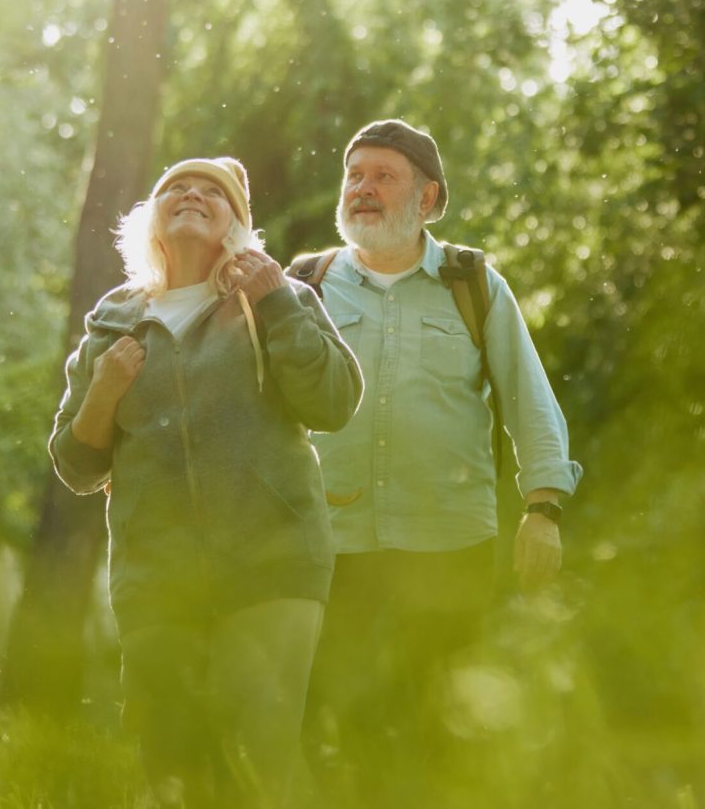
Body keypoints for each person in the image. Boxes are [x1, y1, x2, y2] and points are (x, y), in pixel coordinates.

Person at [48, 156, 363, 808]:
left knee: (254, 757)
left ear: (236, 224)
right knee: (173, 766)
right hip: (156, 577)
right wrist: (104, 391)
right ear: (152, 220)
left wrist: (276, 302)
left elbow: (333, 401)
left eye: (211, 192)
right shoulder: (114, 318)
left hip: (272, 563)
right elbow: (76, 464)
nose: (191, 194)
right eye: (176, 188)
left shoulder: (277, 296)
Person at [293, 119, 583, 801]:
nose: (363, 188)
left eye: (383, 176)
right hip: (328, 545)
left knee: (441, 728)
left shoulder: (473, 284)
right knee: (331, 728)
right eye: (354, 175)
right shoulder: (303, 285)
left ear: (427, 198)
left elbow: (529, 398)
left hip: (448, 544)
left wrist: (544, 508)